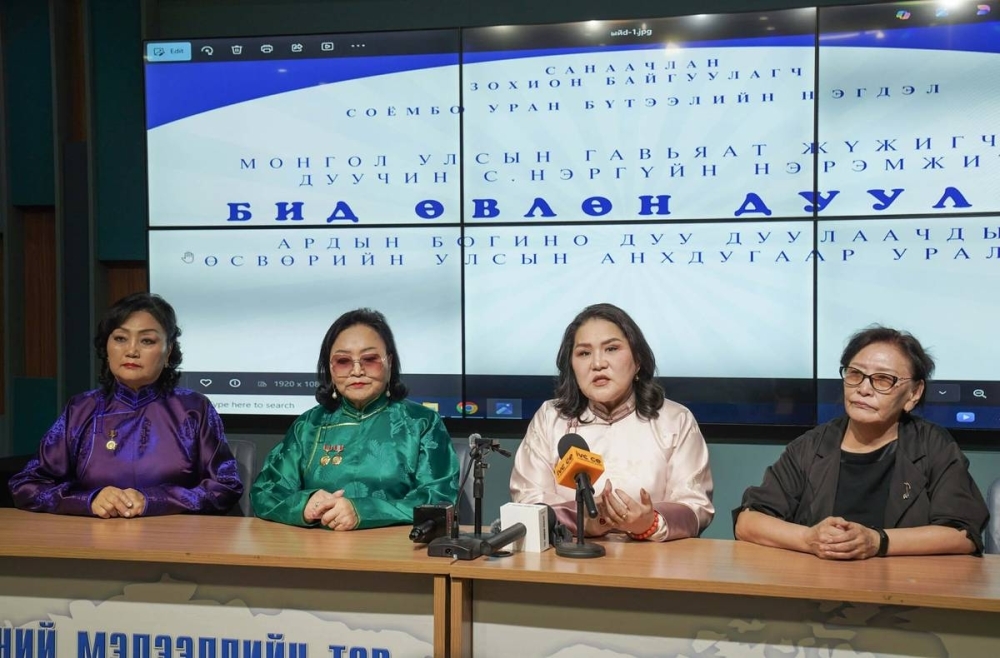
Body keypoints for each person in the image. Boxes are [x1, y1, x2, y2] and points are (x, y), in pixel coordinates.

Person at [734, 326, 988, 559]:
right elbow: (748, 522)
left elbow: (963, 534)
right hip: (818, 592)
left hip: (906, 593)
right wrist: (809, 539)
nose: (864, 389)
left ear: (913, 393)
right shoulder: (811, 446)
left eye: (882, 380)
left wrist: (877, 541)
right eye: (855, 374)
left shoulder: (932, 445)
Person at [9, 292, 243, 517]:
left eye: (147, 341)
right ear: (107, 347)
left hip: (176, 542)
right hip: (93, 542)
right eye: (120, 338)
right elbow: (27, 486)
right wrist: (89, 500)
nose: (131, 351)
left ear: (168, 350)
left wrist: (154, 500)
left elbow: (225, 487)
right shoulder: (81, 409)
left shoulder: (193, 408)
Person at [510, 303, 714, 542]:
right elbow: (527, 501)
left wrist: (649, 522)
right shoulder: (550, 418)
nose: (598, 364)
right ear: (571, 366)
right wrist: (581, 521)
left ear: (637, 360)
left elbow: (695, 505)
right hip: (566, 561)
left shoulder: (675, 420)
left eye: (612, 349)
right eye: (584, 353)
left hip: (651, 565)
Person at [251, 308, 459, 530]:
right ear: (330, 369)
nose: (357, 371)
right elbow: (266, 492)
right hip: (316, 550)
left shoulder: (421, 423)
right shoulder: (309, 425)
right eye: (343, 361)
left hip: (397, 551)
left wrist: (363, 511)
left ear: (389, 362)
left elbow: (439, 500)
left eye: (369, 359)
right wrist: (304, 504)